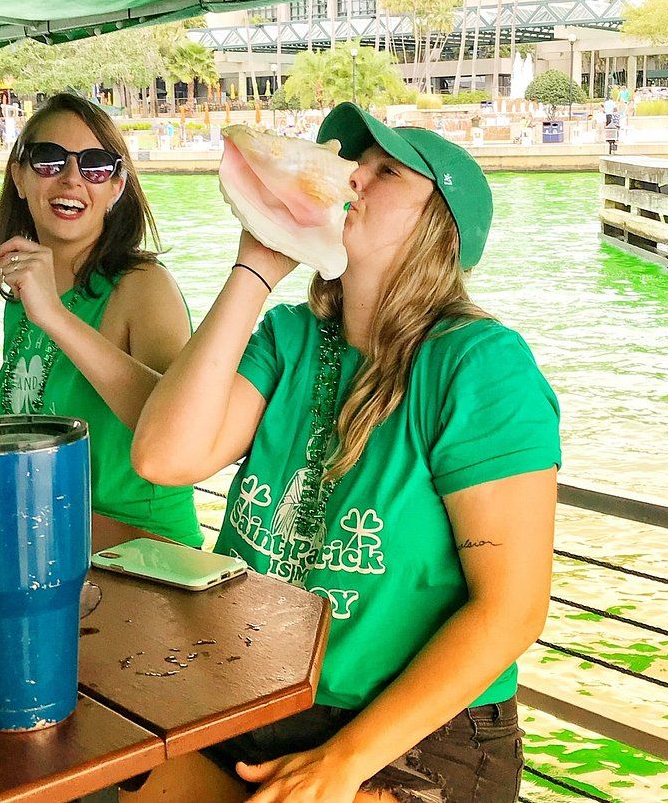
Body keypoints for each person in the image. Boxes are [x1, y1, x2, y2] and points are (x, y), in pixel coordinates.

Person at [130, 102, 560, 802]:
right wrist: (255, 263)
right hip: (255, 699)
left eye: (385, 171)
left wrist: (345, 761)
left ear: (438, 231)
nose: (352, 178)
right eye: (353, 163)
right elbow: (165, 458)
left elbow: (511, 611)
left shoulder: (479, 364)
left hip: (418, 732)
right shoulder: (289, 338)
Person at [0, 93, 201, 547]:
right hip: (45, 534)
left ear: (116, 187)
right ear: (19, 178)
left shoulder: (144, 286)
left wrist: (55, 317)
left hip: (141, 546)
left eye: (95, 165)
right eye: (48, 160)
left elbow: (181, 433)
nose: (71, 179)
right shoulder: (21, 295)